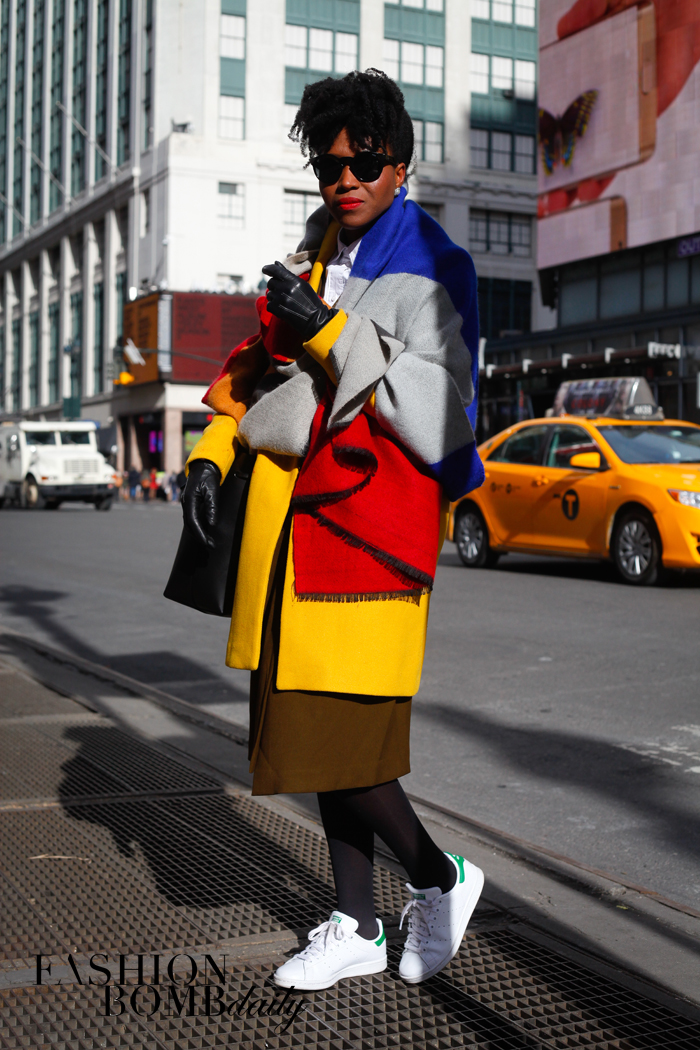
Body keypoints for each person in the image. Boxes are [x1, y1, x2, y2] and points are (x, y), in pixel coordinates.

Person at [181, 70, 485, 992]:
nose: (345, 178)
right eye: (329, 163)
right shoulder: (313, 258)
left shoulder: (439, 265)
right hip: (288, 540)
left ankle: (440, 876)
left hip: (366, 544)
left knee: (341, 745)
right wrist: (211, 450)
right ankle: (356, 920)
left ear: (403, 164)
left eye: (366, 162)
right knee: (309, 740)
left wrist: (330, 332)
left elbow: (438, 415)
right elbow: (250, 373)